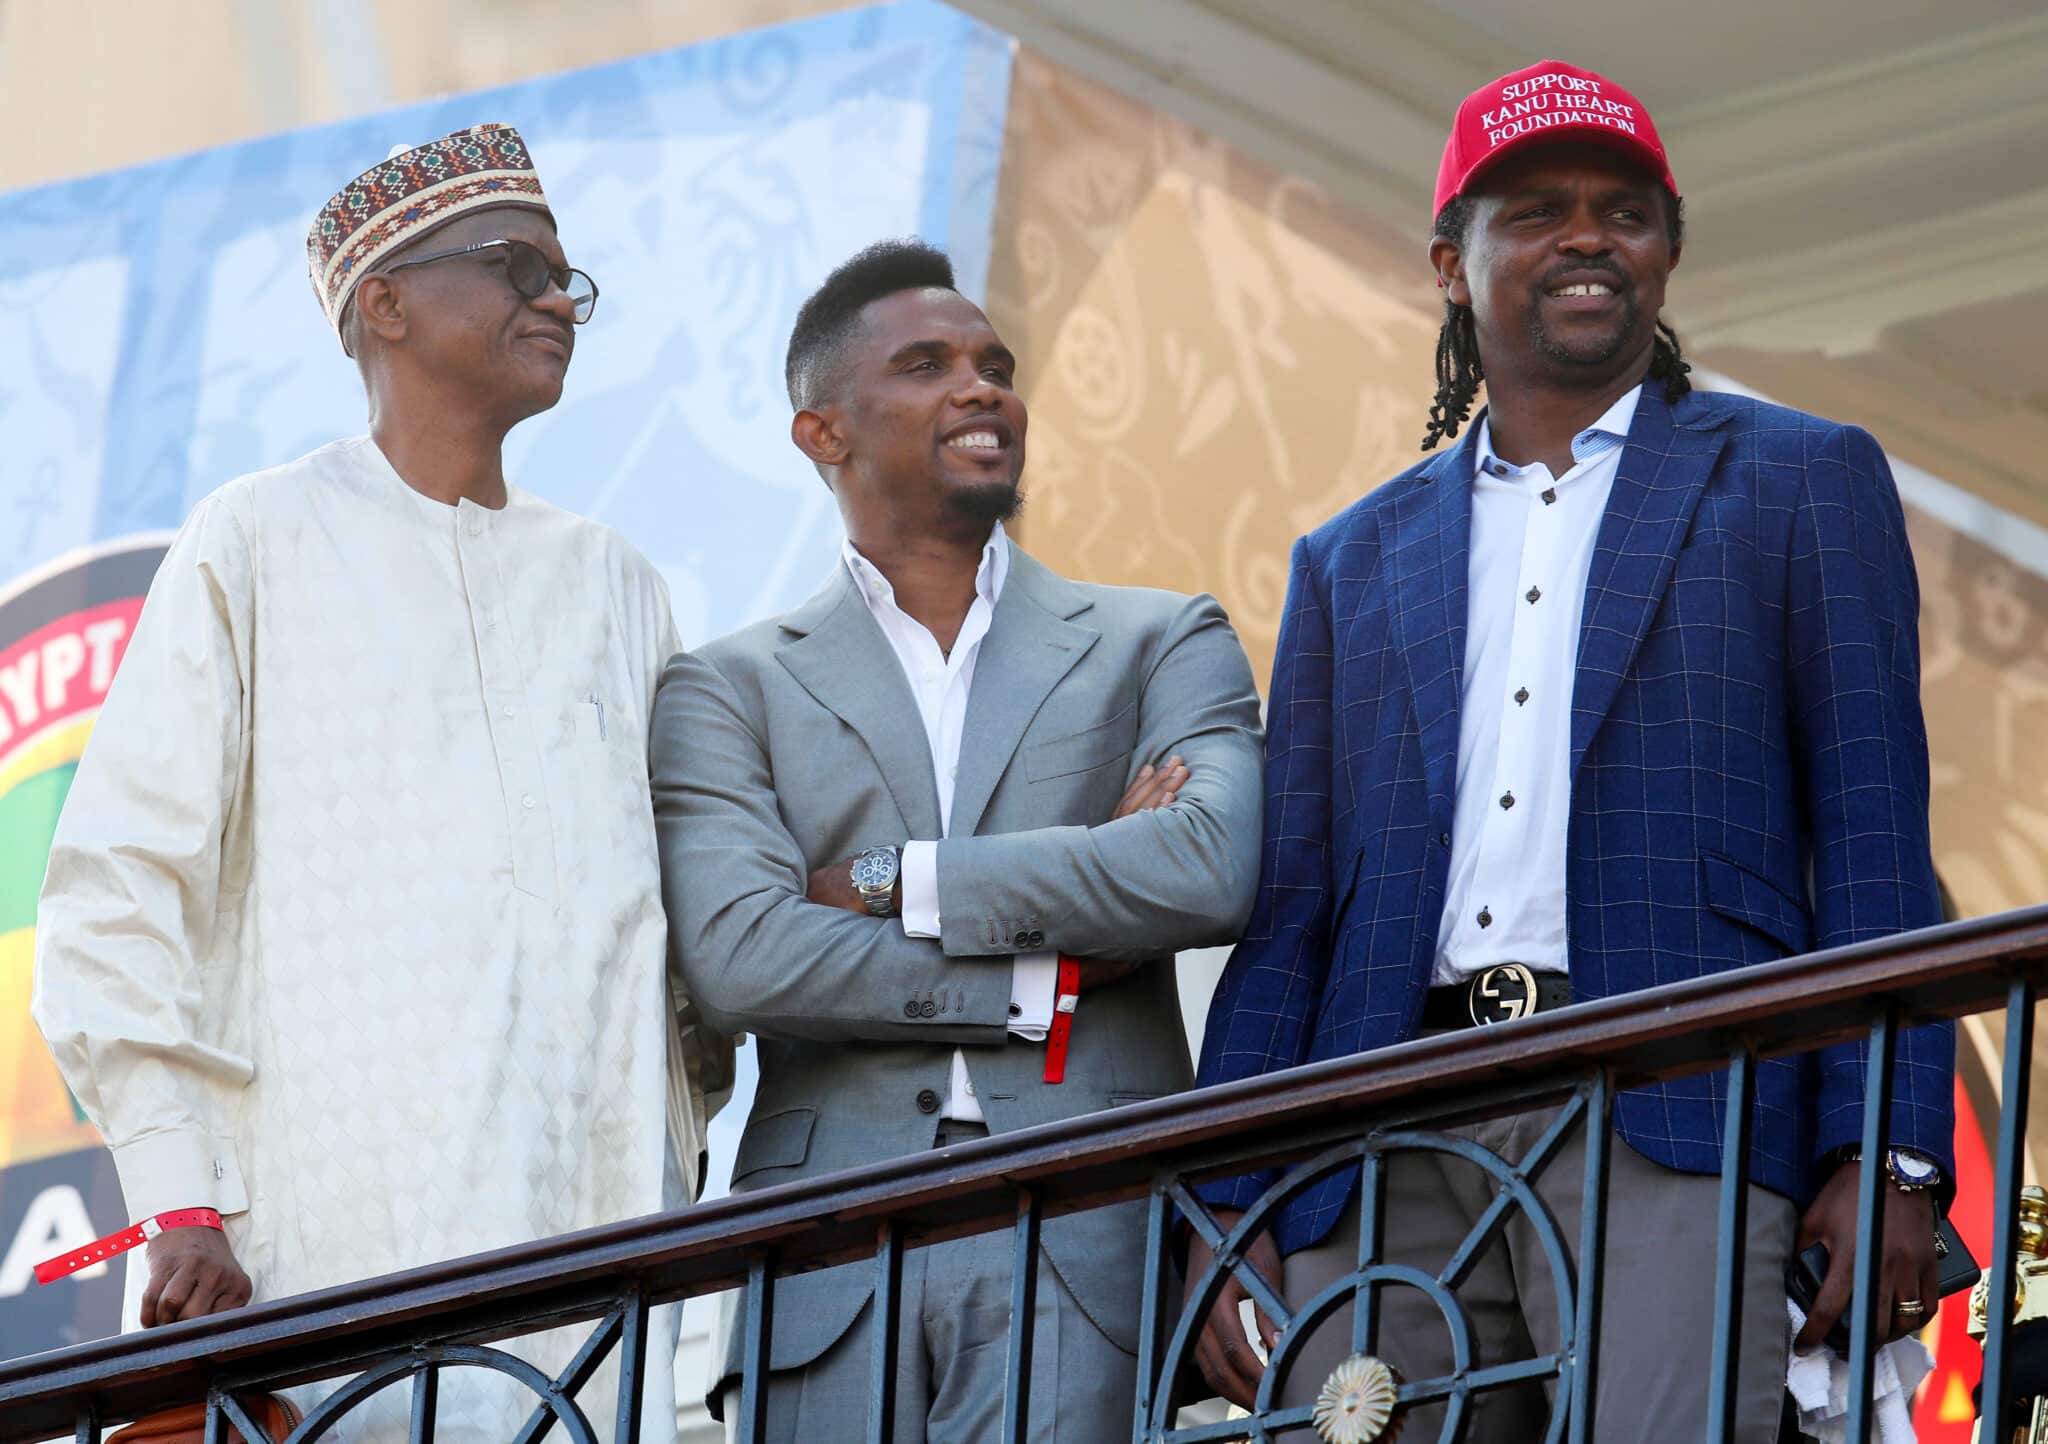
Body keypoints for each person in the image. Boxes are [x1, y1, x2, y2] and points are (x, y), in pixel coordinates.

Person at [1188, 60, 1955, 1443]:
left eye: (1626, 211)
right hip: (1376, 1135)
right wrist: (1229, 1198)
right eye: (1537, 210)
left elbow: (1875, 841)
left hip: (1676, 1100)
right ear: (1451, 262)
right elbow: (1290, 912)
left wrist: (1889, 1150)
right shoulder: (1349, 562)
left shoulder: (1799, 477)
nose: (1588, 237)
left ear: (1667, 252)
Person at [32, 123, 731, 1440]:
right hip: (321, 1273)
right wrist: (178, 1200)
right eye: (518, 265)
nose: (556, 302)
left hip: (598, 1287)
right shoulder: (257, 541)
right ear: (386, 305)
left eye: (570, 279)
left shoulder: (617, 585)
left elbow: (690, 944)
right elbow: (115, 899)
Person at [651, 239, 1264, 1442]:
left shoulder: (1162, 638)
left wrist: (893, 881)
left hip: (1091, 1232)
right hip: (825, 1253)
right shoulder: (724, 689)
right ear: (820, 433)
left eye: (994, 363)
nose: (980, 387)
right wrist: (1057, 963)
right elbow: (743, 957)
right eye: (926, 365)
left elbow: (1201, 868)